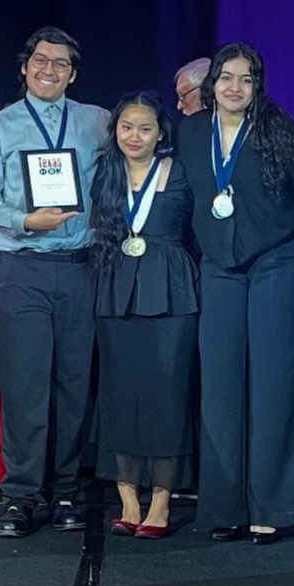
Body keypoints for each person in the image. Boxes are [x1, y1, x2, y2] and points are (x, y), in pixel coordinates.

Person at [0, 26, 109, 538]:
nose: (50, 71)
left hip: (81, 267)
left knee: (74, 386)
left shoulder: (98, 122)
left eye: (62, 64)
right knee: (26, 386)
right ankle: (22, 496)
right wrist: (27, 220)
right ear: (25, 67)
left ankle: (68, 490)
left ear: (73, 73)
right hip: (22, 269)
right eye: (41, 62)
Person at [177, 42, 294, 544]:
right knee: (220, 387)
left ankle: (273, 507)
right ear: (211, 84)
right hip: (219, 267)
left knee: (274, 383)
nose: (235, 87)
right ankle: (224, 506)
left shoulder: (281, 132)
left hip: (276, 262)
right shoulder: (191, 133)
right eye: (226, 78)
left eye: (246, 79)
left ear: (258, 86)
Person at [91, 91, 197, 540]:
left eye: (145, 128)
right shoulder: (104, 172)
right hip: (116, 286)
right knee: (119, 392)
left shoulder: (181, 173)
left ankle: (161, 501)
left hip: (172, 288)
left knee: (166, 394)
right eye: (126, 127)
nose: (134, 136)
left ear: (161, 133)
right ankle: (127, 498)